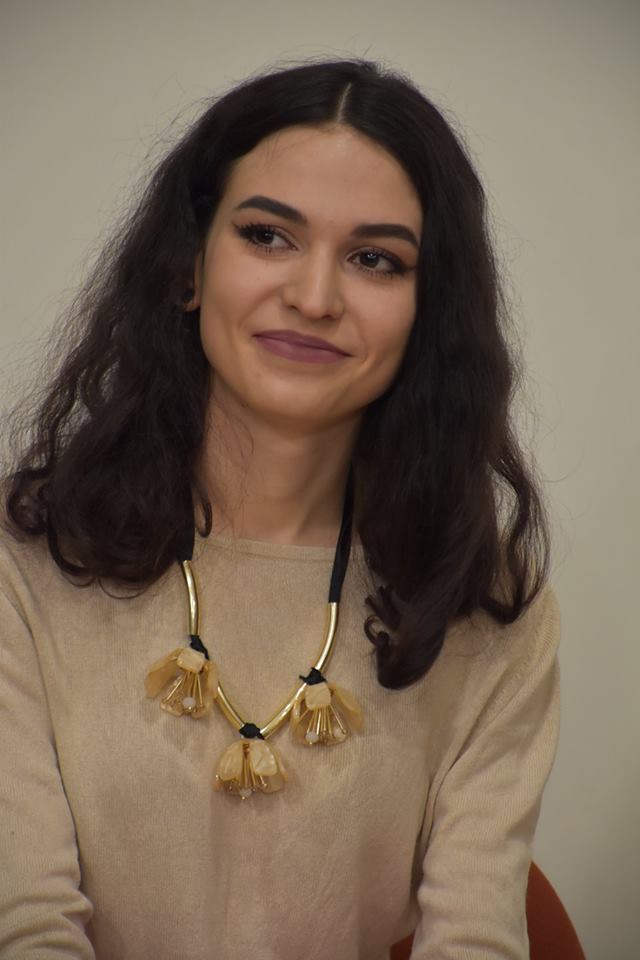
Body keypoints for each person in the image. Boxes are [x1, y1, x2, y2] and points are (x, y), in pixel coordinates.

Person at [0, 59, 560, 959]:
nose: (314, 297)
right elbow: (23, 931)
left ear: (428, 310)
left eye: (375, 259)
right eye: (268, 236)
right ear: (188, 267)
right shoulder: (22, 559)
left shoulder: (486, 600)